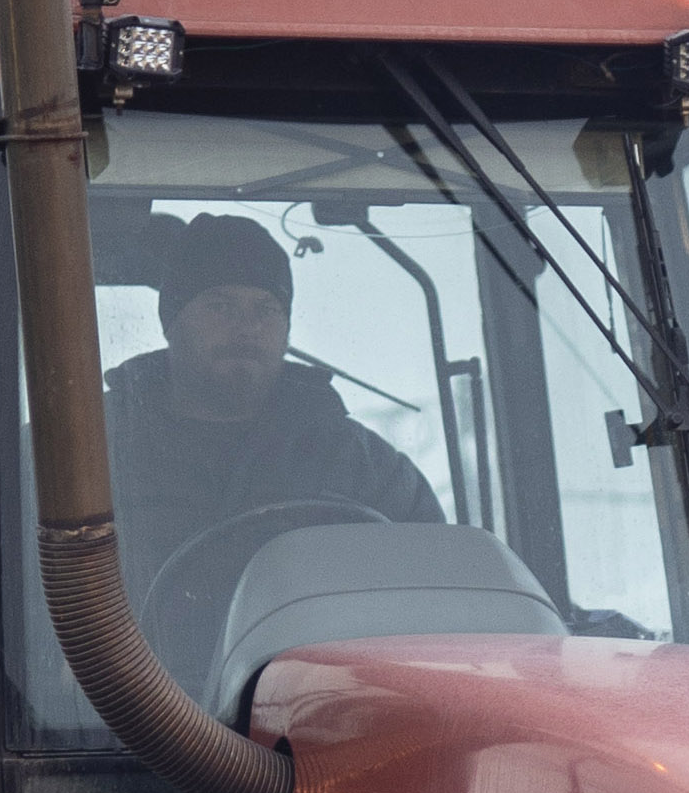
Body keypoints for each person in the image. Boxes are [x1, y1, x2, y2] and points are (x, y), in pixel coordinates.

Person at [103, 213, 439, 658]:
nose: (247, 328)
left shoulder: (366, 468)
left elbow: (440, 601)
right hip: (115, 699)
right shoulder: (86, 452)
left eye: (266, 309)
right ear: (172, 321)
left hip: (320, 694)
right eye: (220, 306)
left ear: (286, 328)